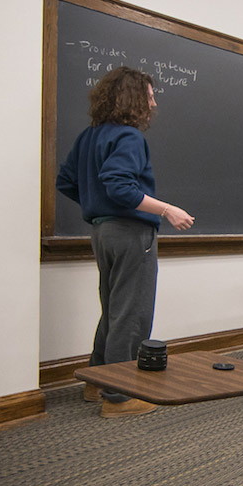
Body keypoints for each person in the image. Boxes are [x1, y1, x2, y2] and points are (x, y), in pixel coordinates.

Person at [57, 67, 195, 418]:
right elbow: (121, 187)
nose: (153, 102)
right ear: (133, 99)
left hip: (101, 233)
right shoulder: (130, 138)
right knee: (131, 314)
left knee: (114, 309)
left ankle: (97, 379)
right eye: (149, 95)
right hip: (131, 233)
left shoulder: (89, 136)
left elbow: (66, 181)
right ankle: (119, 397)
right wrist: (167, 209)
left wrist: (96, 204)